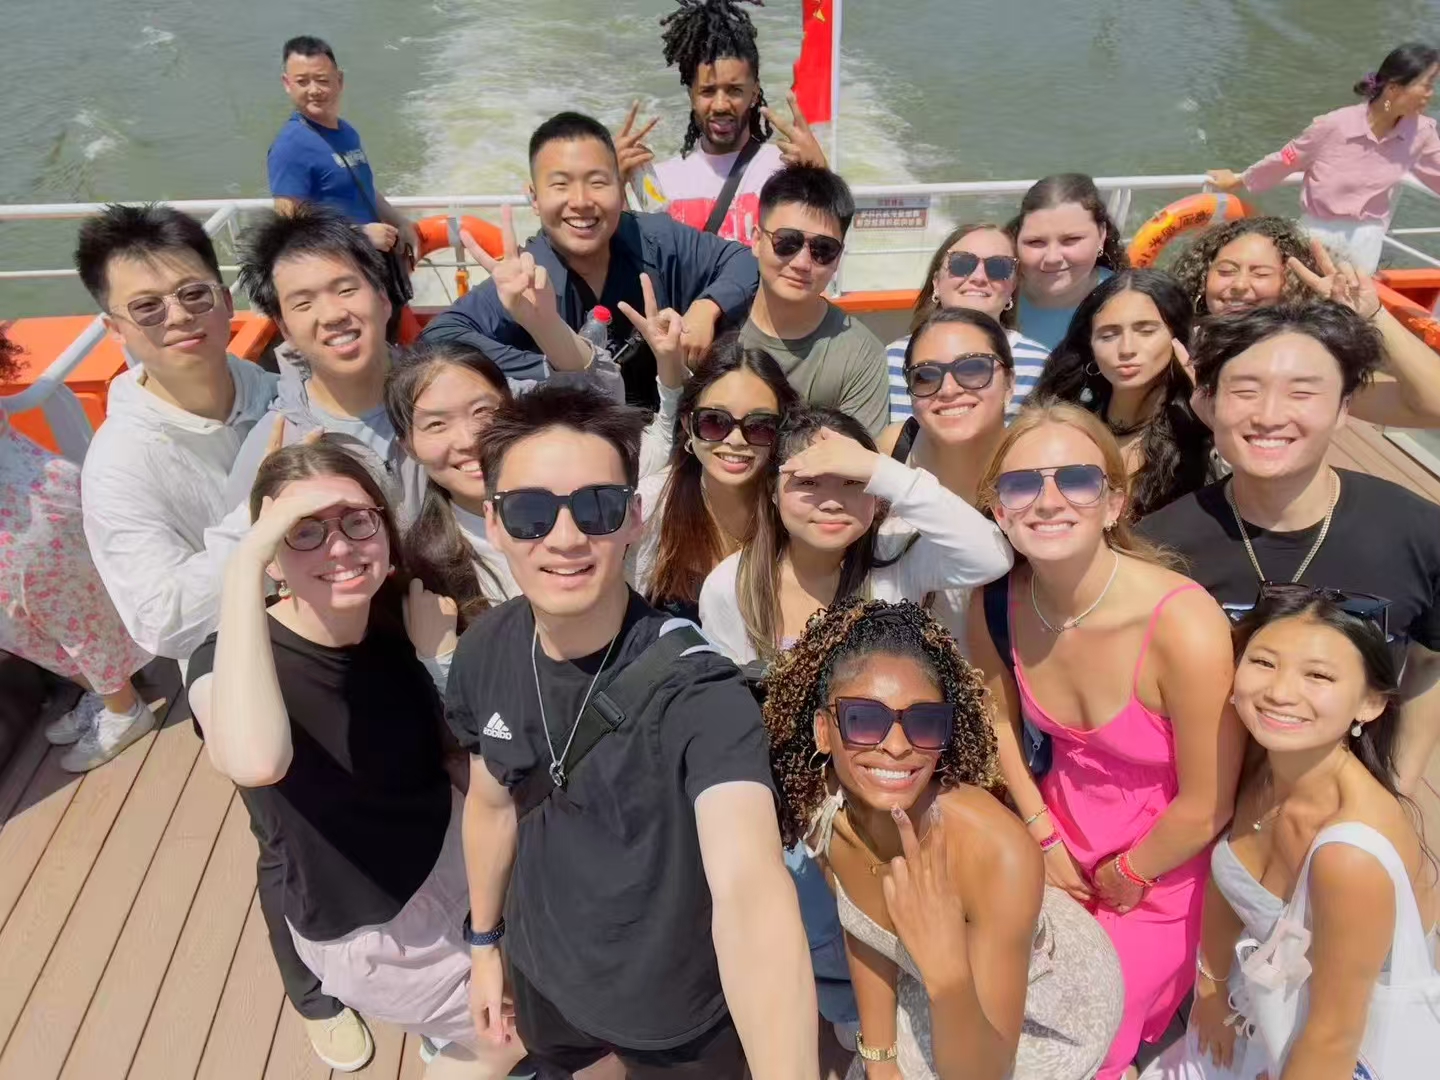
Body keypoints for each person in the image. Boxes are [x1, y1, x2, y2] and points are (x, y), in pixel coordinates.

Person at [446, 384, 818, 1077]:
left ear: (634, 519)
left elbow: (749, 890)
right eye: (530, 513)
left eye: (597, 507)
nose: (564, 538)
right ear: (493, 523)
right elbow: (492, 805)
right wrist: (484, 944)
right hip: (542, 966)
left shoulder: (698, 691)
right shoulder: (488, 647)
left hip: (671, 1011)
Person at [72, 203, 368, 1072]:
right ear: (112, 325)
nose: (179, 318)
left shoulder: (274, 386)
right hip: (224, 644)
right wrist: (258, 532)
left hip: (335, 605)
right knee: (284, 828)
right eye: (148, 307)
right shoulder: (121, 461)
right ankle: (314, 991)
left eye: (193, 293)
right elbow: (158, 617)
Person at [186, 439, 520, 1079]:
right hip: (380, 927)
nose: (338, 547)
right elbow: (256, 759)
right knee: (517, 1028)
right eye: (301, 532)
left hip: (456, 852)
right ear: (271, 556)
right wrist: (241, 566)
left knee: (558, 995)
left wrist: (438, 661)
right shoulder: (228, 663)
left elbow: (466, 756)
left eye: (357, 521)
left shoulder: (400, 614)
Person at [967, 403, 1245, 1079]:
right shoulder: (999, 602)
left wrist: (1127, 873)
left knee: (1087, 1042)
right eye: (1022, 484)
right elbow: (996, 720)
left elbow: (1209, 803)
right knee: (994, 1012)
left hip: (1160, 867)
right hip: (1053, 840)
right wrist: (1039, 832)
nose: (1049, 500)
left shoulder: (1183, 624)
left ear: (1114, 502)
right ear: (1000, 511)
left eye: (1076, 480)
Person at [764, 595, 1125, 1080]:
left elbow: (983, 1072)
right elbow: (865, 932)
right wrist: (880, 1060)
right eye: (864, 720)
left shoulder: (996, 852)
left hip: (1041, 1007)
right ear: (824, 731)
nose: (896, 746)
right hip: (938, 974)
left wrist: (946, 967)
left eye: (924, 723)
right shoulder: (825, 812)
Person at [1138, 302, 1440, 796]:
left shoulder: (1420, 532)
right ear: (1208, 404)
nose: (1269, 416)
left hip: (1345, 812)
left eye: (1302, 392)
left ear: (1345, 408)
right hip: (1200, 807)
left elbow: (1430, 661)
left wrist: (1395, 789)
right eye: (1245, 390)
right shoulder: (1158, 547)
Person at [1144, 587, 1440, 1080]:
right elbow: (1227, 879)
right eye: (1263, 662)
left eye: (1318, 675)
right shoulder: (1264, 762)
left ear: (1370, 704)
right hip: (1254, 1011)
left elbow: (1333, 1037)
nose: (1281, 692)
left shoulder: (1350, 856)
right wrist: (1213, 989)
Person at [421, 112, 758, 404]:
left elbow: (743, 261)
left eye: (598, 182)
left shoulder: (657, 239)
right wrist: (545, 367)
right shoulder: (527, 276)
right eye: (561, 185)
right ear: (534, 198)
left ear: (620, 186)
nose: (581, 201)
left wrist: (706, 309)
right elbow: (440, 335)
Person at [698, 406, 1013, 665]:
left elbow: (992, 556)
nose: (833, 503)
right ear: (773, 492)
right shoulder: (730, 585)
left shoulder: (899, 555)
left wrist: (883, 470)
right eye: (809, 483)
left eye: (852, 482)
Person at [0, 328, 155, 773]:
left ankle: (124, 710)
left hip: (25, 521)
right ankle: (108, 694)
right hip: (28, 502)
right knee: (39, 621)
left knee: (65, 617)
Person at [1173, 217, 1440, 429]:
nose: (1240, 285)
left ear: (1291, 285)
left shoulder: (1312, 366)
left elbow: (1434, 406)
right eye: (1227, 271)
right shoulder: (1176, 339)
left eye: (1261, 273)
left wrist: (1373, 315)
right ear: (1204, 278)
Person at [1207, 42, 1440, 275]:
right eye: (1427, 85)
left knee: (1347, 309)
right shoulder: (1334, 126)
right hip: (1317, 237)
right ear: (1393, 89)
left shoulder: (1421, 133)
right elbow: (1287, 159)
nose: (1430, 93)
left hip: (1366, 245)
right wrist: (1239, 180)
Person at [615, 0, 825, 244]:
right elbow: (634, 261)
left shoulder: (786, 169)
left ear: (754, 93)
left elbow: (822, 256)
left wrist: (821, 176)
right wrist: (614, 186)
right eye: (707, 91)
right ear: (691, 96)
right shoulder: (662, 182)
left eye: (735, 90)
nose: (721, 105)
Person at [876, 308, 1016, 645]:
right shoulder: (893, 449)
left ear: (1010, 384)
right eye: (926, 375)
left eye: (973, 368)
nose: (949, 389)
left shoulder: (1033, 466)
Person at [637, 335, 800, 622]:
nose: (736, 440)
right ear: (688, 425)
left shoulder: (799, 506)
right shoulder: (650, 505)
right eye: (714, 421)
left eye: (760, 426)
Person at [1032, 269, 1212, 518]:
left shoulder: (1203, 432)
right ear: (1090, 346)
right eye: (1108, 335)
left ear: (1178, 338)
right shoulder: (1062, 425)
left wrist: (1216, 417)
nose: (1126, 349)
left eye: (1146, 331)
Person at [739, 165, 891, 438]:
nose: (801, 263)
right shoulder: (714, 325)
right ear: (756, 240)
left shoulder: (859, 355)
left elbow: (856, 466)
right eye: (787, 242)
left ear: (838, 258)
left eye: (823, 249)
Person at [268, 36, 418, 264]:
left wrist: (401, 222)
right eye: (302, 81)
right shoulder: (290, 146)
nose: (314, 90)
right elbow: (289, 229)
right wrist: (359, 234)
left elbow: (363, 187)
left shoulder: (347, 132)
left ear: (339, 80)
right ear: (287, 84)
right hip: (338, 271)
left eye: (322, 80)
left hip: (372, 263)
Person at [884, 224, 1050, 423]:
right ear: (936, 282)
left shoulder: (1041, 366)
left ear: (1012, 288)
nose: (979, 277)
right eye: (961, 263)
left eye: (999, 267)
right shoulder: (891, 359)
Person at [1008, 173, 1129, 351]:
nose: (1052, 258)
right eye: (1035, 242)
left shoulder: (1129, 300)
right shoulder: (995, 294)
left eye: (1071, 240)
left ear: (1101, 234)